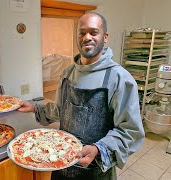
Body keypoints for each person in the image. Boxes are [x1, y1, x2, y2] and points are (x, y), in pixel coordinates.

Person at [18, 12, 145, 180]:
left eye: (93, 32)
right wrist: (35, 107)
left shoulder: (119, 79)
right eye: (82, 32)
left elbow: (130, 131)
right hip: (61, 166)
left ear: (105, 37)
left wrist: (99, 149)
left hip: (96, 171)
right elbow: (59, 110)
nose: (87, 37)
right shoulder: (68, 73)